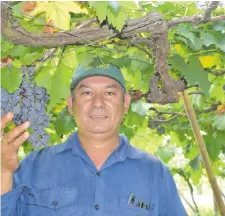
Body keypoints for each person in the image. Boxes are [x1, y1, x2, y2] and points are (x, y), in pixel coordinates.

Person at [1, 64, 188, 216]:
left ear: (125, 104)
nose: (98, 103)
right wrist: (3, 172)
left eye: (109, 93)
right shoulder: (34, 166)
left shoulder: (154, 172)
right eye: (87, 93)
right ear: (70, 104)